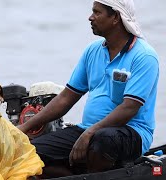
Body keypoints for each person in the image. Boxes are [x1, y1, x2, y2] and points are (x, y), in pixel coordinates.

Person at [18, 0, 159, 178]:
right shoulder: (92, 51)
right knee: (31, 154)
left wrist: (90, 133)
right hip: (89, 129)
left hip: (132, 133)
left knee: (104, 139)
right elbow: (66, 97)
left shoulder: (144, 56)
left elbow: (130, 107)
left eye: (97, 12)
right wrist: (24, 128)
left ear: (115, 17)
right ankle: (79, 174)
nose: (90, 17)